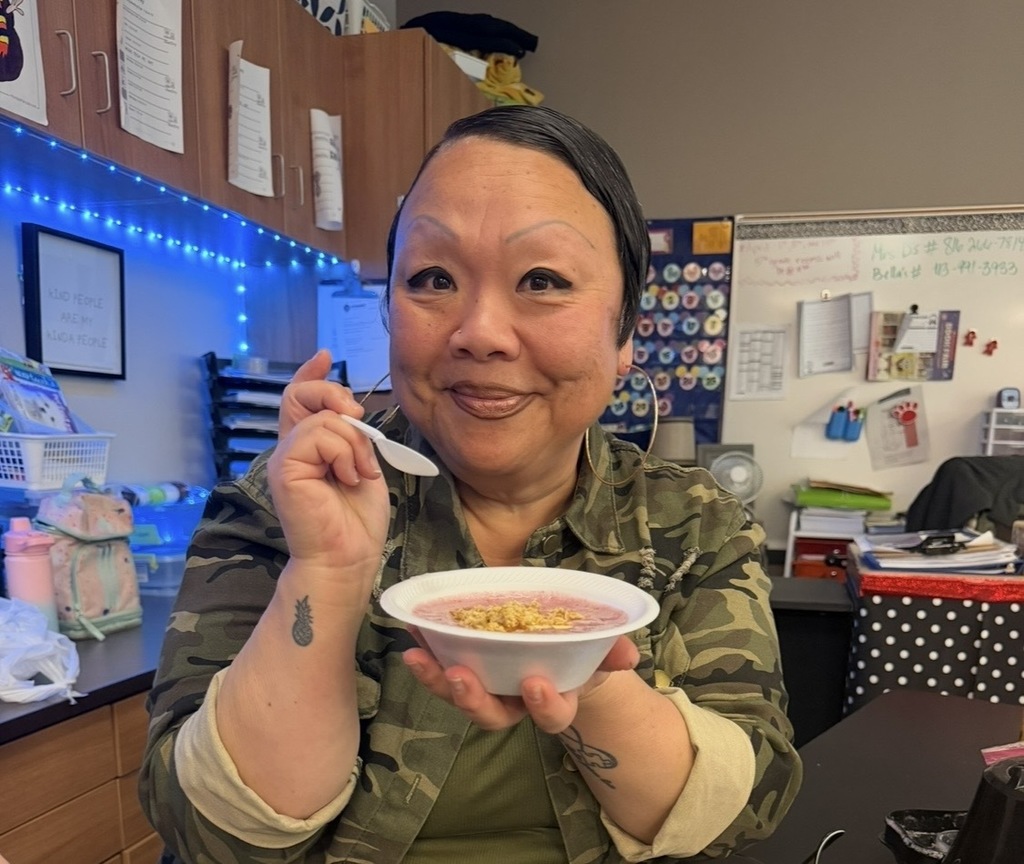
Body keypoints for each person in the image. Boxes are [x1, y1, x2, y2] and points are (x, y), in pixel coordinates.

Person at [139, 104, 802, 863]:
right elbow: (209, 833)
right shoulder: (284, 502)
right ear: (389, 309)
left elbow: (741, 811)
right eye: (434, 278)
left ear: (625, 331)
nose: (480, 332)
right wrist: (327, 570)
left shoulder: (695, 523)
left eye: (542, 280)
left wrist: (583, 676)